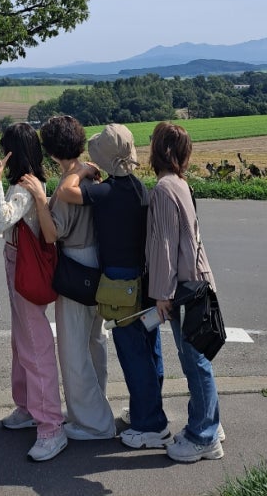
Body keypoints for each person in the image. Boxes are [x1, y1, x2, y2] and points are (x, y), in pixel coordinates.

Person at [56, 122, 170, 449]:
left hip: (120, 285)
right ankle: (147, 411)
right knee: (149, 349)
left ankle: (151, 426)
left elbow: (66, 192)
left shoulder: (106, 191)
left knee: (133, 355)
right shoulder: (139, 188)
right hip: (144, 279)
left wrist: (81, 170)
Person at [21, 115, 115, 442]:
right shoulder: (92, 175)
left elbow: (52, 235)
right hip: (99, 263)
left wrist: (39, 199)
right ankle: (97, 406)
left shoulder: (66, 188)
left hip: (75, 263)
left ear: (51, 152)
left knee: (74, 351)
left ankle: (93, 422)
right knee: (95, 341)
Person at [0, 122, 67, 462]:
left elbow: (0, 221)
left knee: (34, 345)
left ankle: (50, 427)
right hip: (20, 262)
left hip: (23, 265)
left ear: (13, 152)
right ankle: (26, 407)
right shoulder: (31, 183)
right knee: (22, 340)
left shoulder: (23, 187)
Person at [147, 121, 225, 463]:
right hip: (198, 282)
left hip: (185, 287)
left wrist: (161, 293)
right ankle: (209, 425)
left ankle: (203, 436)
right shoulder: (180, 183)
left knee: (195, 362)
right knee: (198, 360)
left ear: (160, 150)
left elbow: (164, 246)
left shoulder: (163, 189)